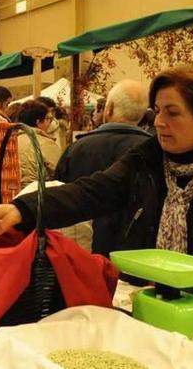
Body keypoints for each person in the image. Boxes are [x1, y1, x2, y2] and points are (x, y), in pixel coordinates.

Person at [0, 65, 193, 308]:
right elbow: (93, 191)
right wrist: (22, 210)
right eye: (156, 111)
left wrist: (190, 302)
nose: (159, 122)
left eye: (172, 113)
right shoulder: (149, 158)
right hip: (145, 303)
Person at [54, 79, 151, 256]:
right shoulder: (152, 151)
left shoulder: (77, 149)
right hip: (135, 256)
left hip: (81, 252)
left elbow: (60, 194)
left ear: (109, 108)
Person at [16, 100, 62, 187]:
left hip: (12, 195)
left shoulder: (11, 141)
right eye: (48, 119)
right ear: (38, 122)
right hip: (37, 194)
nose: (50, 122)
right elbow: (61, 171)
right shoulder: (45, 143)